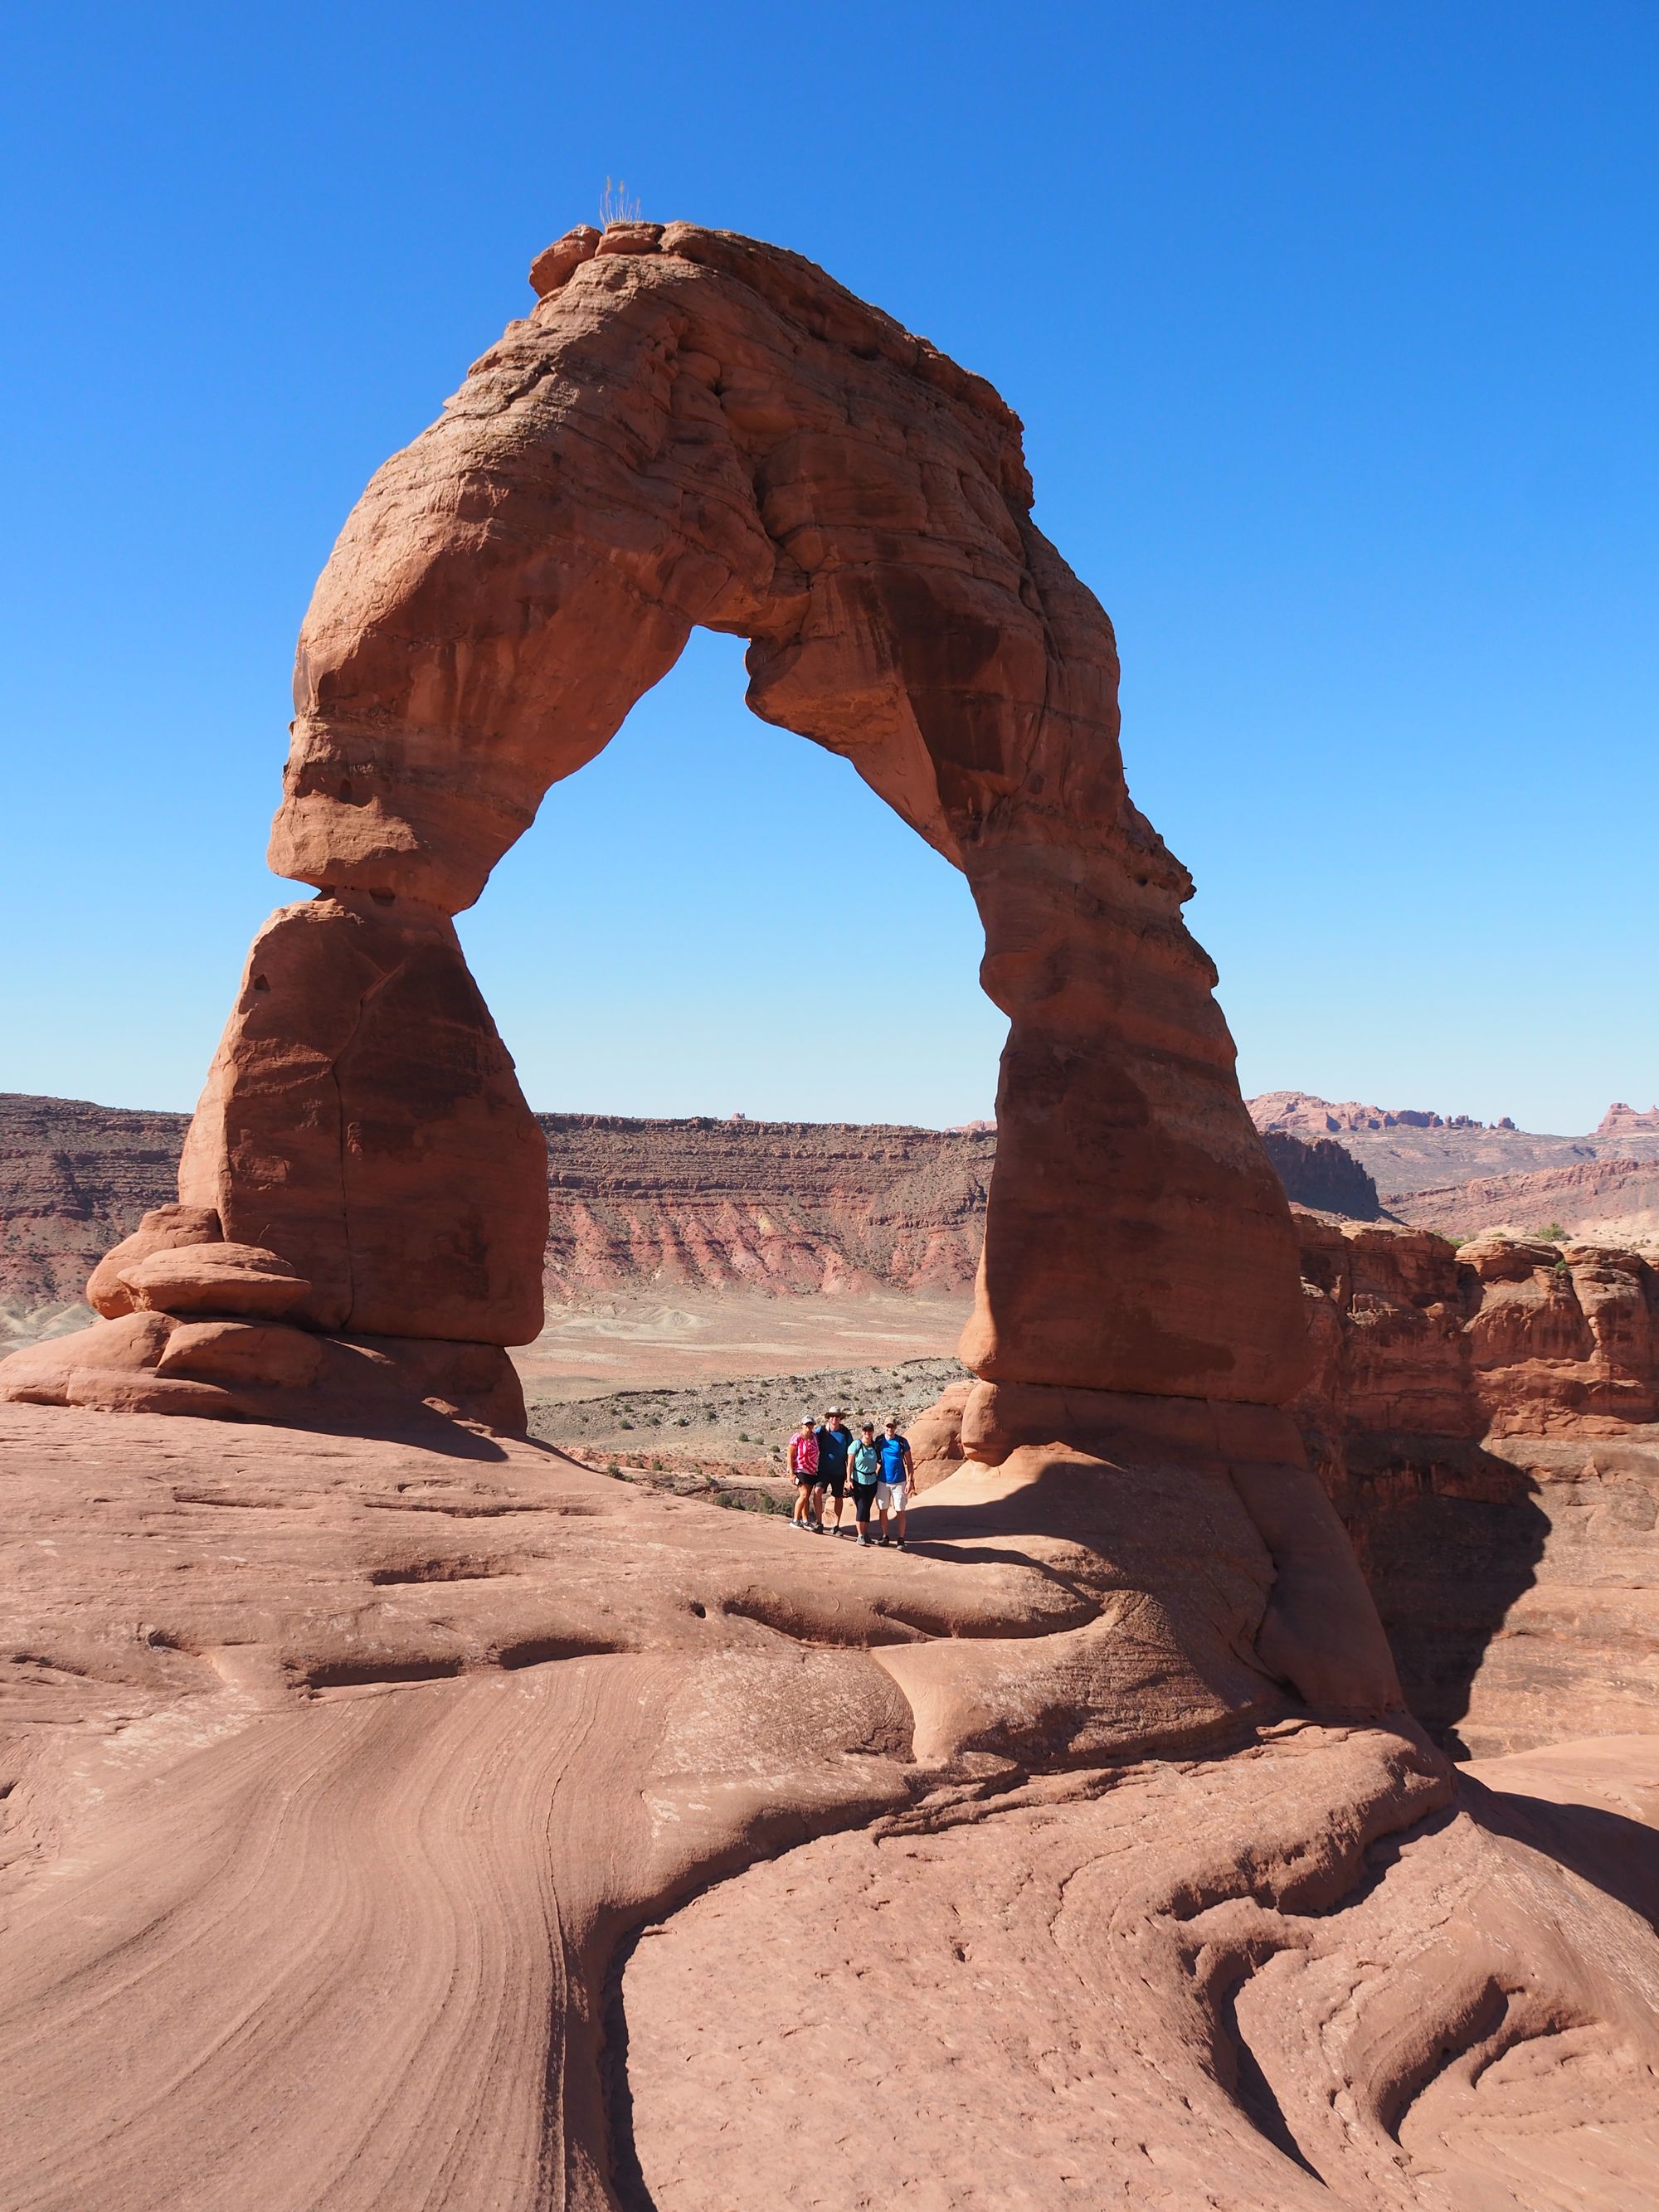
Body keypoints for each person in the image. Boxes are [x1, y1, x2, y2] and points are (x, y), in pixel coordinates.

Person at [876, 1415, 913, 1548]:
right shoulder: (879, 1441)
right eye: (888, 1426)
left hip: (899, 1482)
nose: (890, 1429)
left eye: (892, 1426)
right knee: (883, 1509)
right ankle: (885, 1536)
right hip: (882, 1481)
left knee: (900, 1510)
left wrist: (910, 1480)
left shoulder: (902, 1442)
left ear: (895, 1427)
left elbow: (909, 1462)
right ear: (884, 1427)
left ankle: (901, 1539)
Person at [816, 1407, 854, 1534]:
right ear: (828, 1418)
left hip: (839, 1471)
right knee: (818, 1491)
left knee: (838, 1497)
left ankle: (836, 1526)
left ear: (840, 1418)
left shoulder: (845, 1433)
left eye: (837, 1416)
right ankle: (819, 1522)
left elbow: (851, 1452)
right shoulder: (821, 1431)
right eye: (832, 1416)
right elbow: (810, 1440)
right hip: (823, 1470)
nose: (834, 1419)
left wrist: (850, 1474)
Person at [848, 1422, 882, 1545]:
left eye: (870, 1430)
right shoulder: (856, 1445)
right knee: (861, 1506)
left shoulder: (875, 1447)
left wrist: (876, 1473)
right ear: (862, 1431)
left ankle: (866, 1534)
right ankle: (860, 1535)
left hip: (872, 1481)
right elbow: (850, 1464)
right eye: (865, 1430)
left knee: (867, 1507)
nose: (867, 1432)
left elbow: (879, 1462)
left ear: (872, 1432)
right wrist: (849, 1480)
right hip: (858, 1480)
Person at [788, 1416, 820, 1530]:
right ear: (802, 1425)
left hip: (812, 1471)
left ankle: (805, 1520)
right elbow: (790, 1455)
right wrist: (791, 1473)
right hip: (800, 1469)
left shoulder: (815, 1437)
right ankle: (795, 1519)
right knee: (804, 1494)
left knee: (806, 1497)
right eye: (806, 1424)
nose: (808, 1426)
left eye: (810, 1424)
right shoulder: (797, 1437)